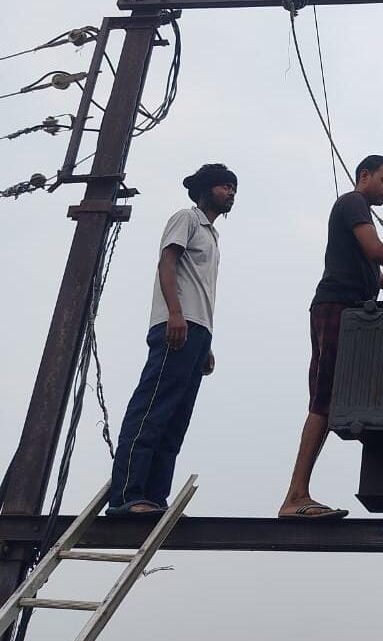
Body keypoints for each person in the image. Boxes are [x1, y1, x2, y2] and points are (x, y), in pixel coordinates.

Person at [278, 154, 383, 518]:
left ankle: (298, 493)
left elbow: (376, 276)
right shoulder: (352, 203)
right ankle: (295, 495)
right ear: (365, 175)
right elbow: (378, 253)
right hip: (337, 307)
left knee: (332, 399)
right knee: (324, 401)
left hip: (348, 310)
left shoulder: (360, 213)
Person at [107, 163, 237, 515]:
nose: (231, 193)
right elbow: (167, 263)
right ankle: (126, 496)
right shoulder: (188, 218)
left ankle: (152, 496)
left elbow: (200, 288)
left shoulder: (212, 235)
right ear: (207, 189)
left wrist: (205, 340)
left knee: (176, 417)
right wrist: (175, 314)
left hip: (197, 331)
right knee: (152, 408)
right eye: (225, 186)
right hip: (175, 325)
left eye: (233, 188)